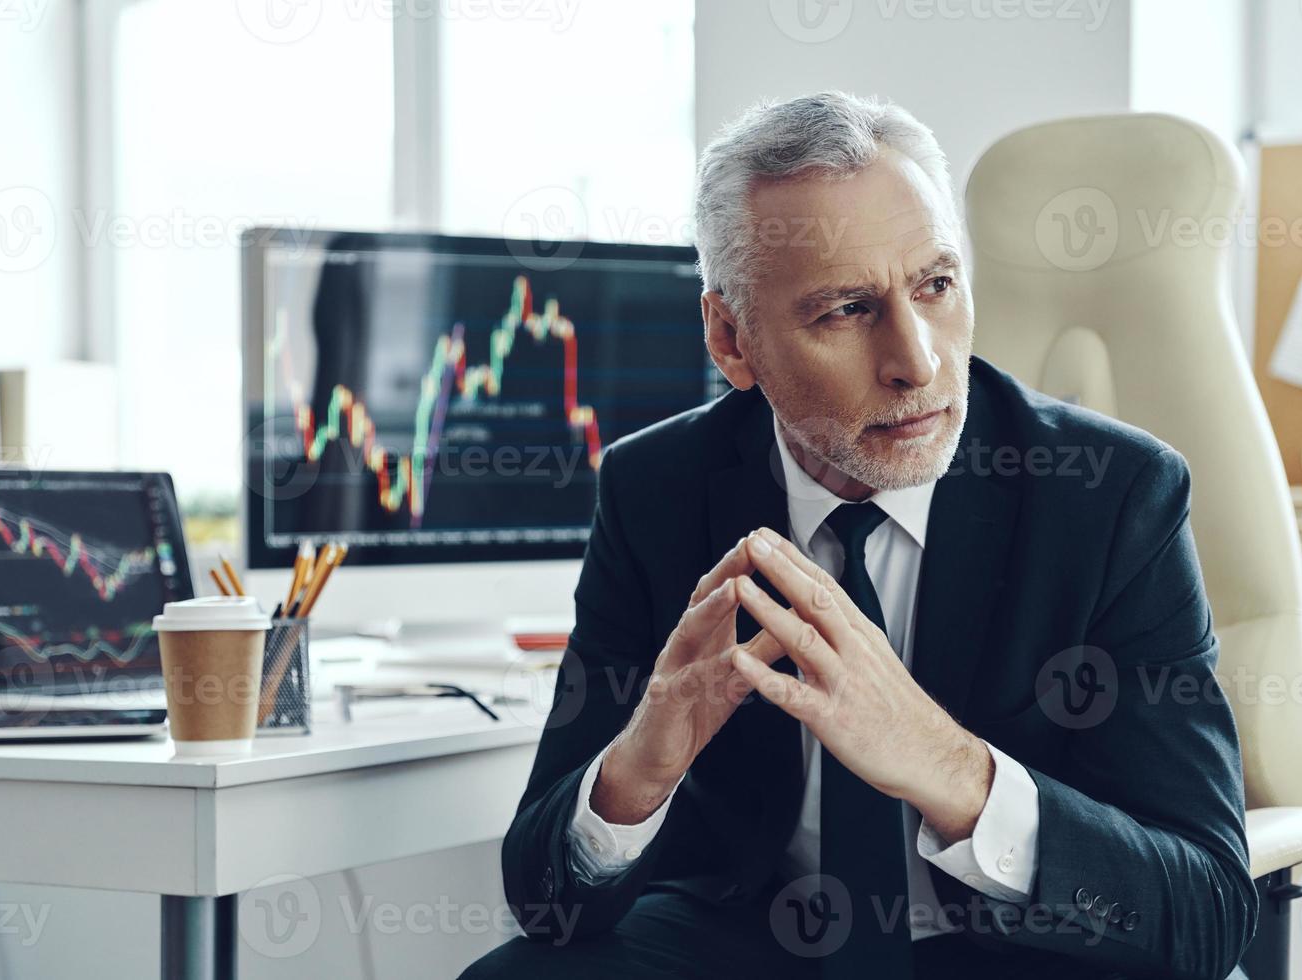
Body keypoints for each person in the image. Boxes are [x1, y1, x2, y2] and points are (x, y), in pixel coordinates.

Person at [461, 92, 1256, 980]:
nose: (916, 360)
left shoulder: (1111, 498)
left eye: (936, 286)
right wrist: (639, 765)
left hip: (1026, 952)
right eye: (846, 309)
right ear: (732, 339)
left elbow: (1209, 910)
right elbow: (544, 901)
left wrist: (948, 767)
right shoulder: (659, 489)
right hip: (761, 942)